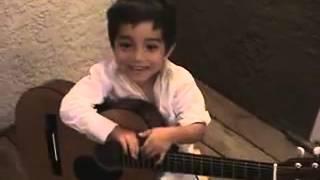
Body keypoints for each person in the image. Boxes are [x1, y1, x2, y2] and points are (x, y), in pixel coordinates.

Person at [59, 0, 211, 179]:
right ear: (113, 45)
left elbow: (198, 127)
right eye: (126, 45)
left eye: (151, 47)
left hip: (170, 163)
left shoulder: (179, 81)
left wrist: (170, 135)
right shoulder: (106, 74)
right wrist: (113, 131)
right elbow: (69, 108)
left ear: (168, 50)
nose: (138, 57)